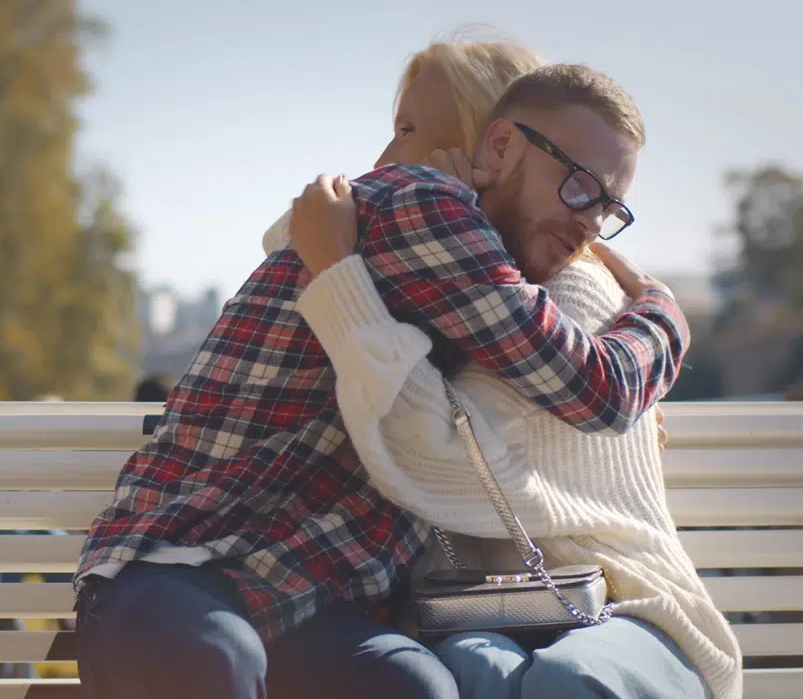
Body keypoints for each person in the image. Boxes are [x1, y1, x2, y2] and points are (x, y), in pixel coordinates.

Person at [74, 41, 689, 699]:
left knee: (414, 687)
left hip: (307, 598)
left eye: (607, 207)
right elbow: (601, 389)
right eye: (577, 186)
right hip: (188, 562)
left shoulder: (509, 276)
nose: (590, 223)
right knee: (212, 655)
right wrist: (663, 314)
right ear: (499, 144)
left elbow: (575, 403)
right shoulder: (425, 203)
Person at [282, 95, 742, 696]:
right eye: (581, 189)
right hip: (481, 607)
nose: (393, 162)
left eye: (604, 203)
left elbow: (441, 453)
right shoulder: (463, 289)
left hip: (630, 607)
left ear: (490, 149)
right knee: (475, 669)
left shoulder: (574, 286)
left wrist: (337, 273)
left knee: (563, 681)